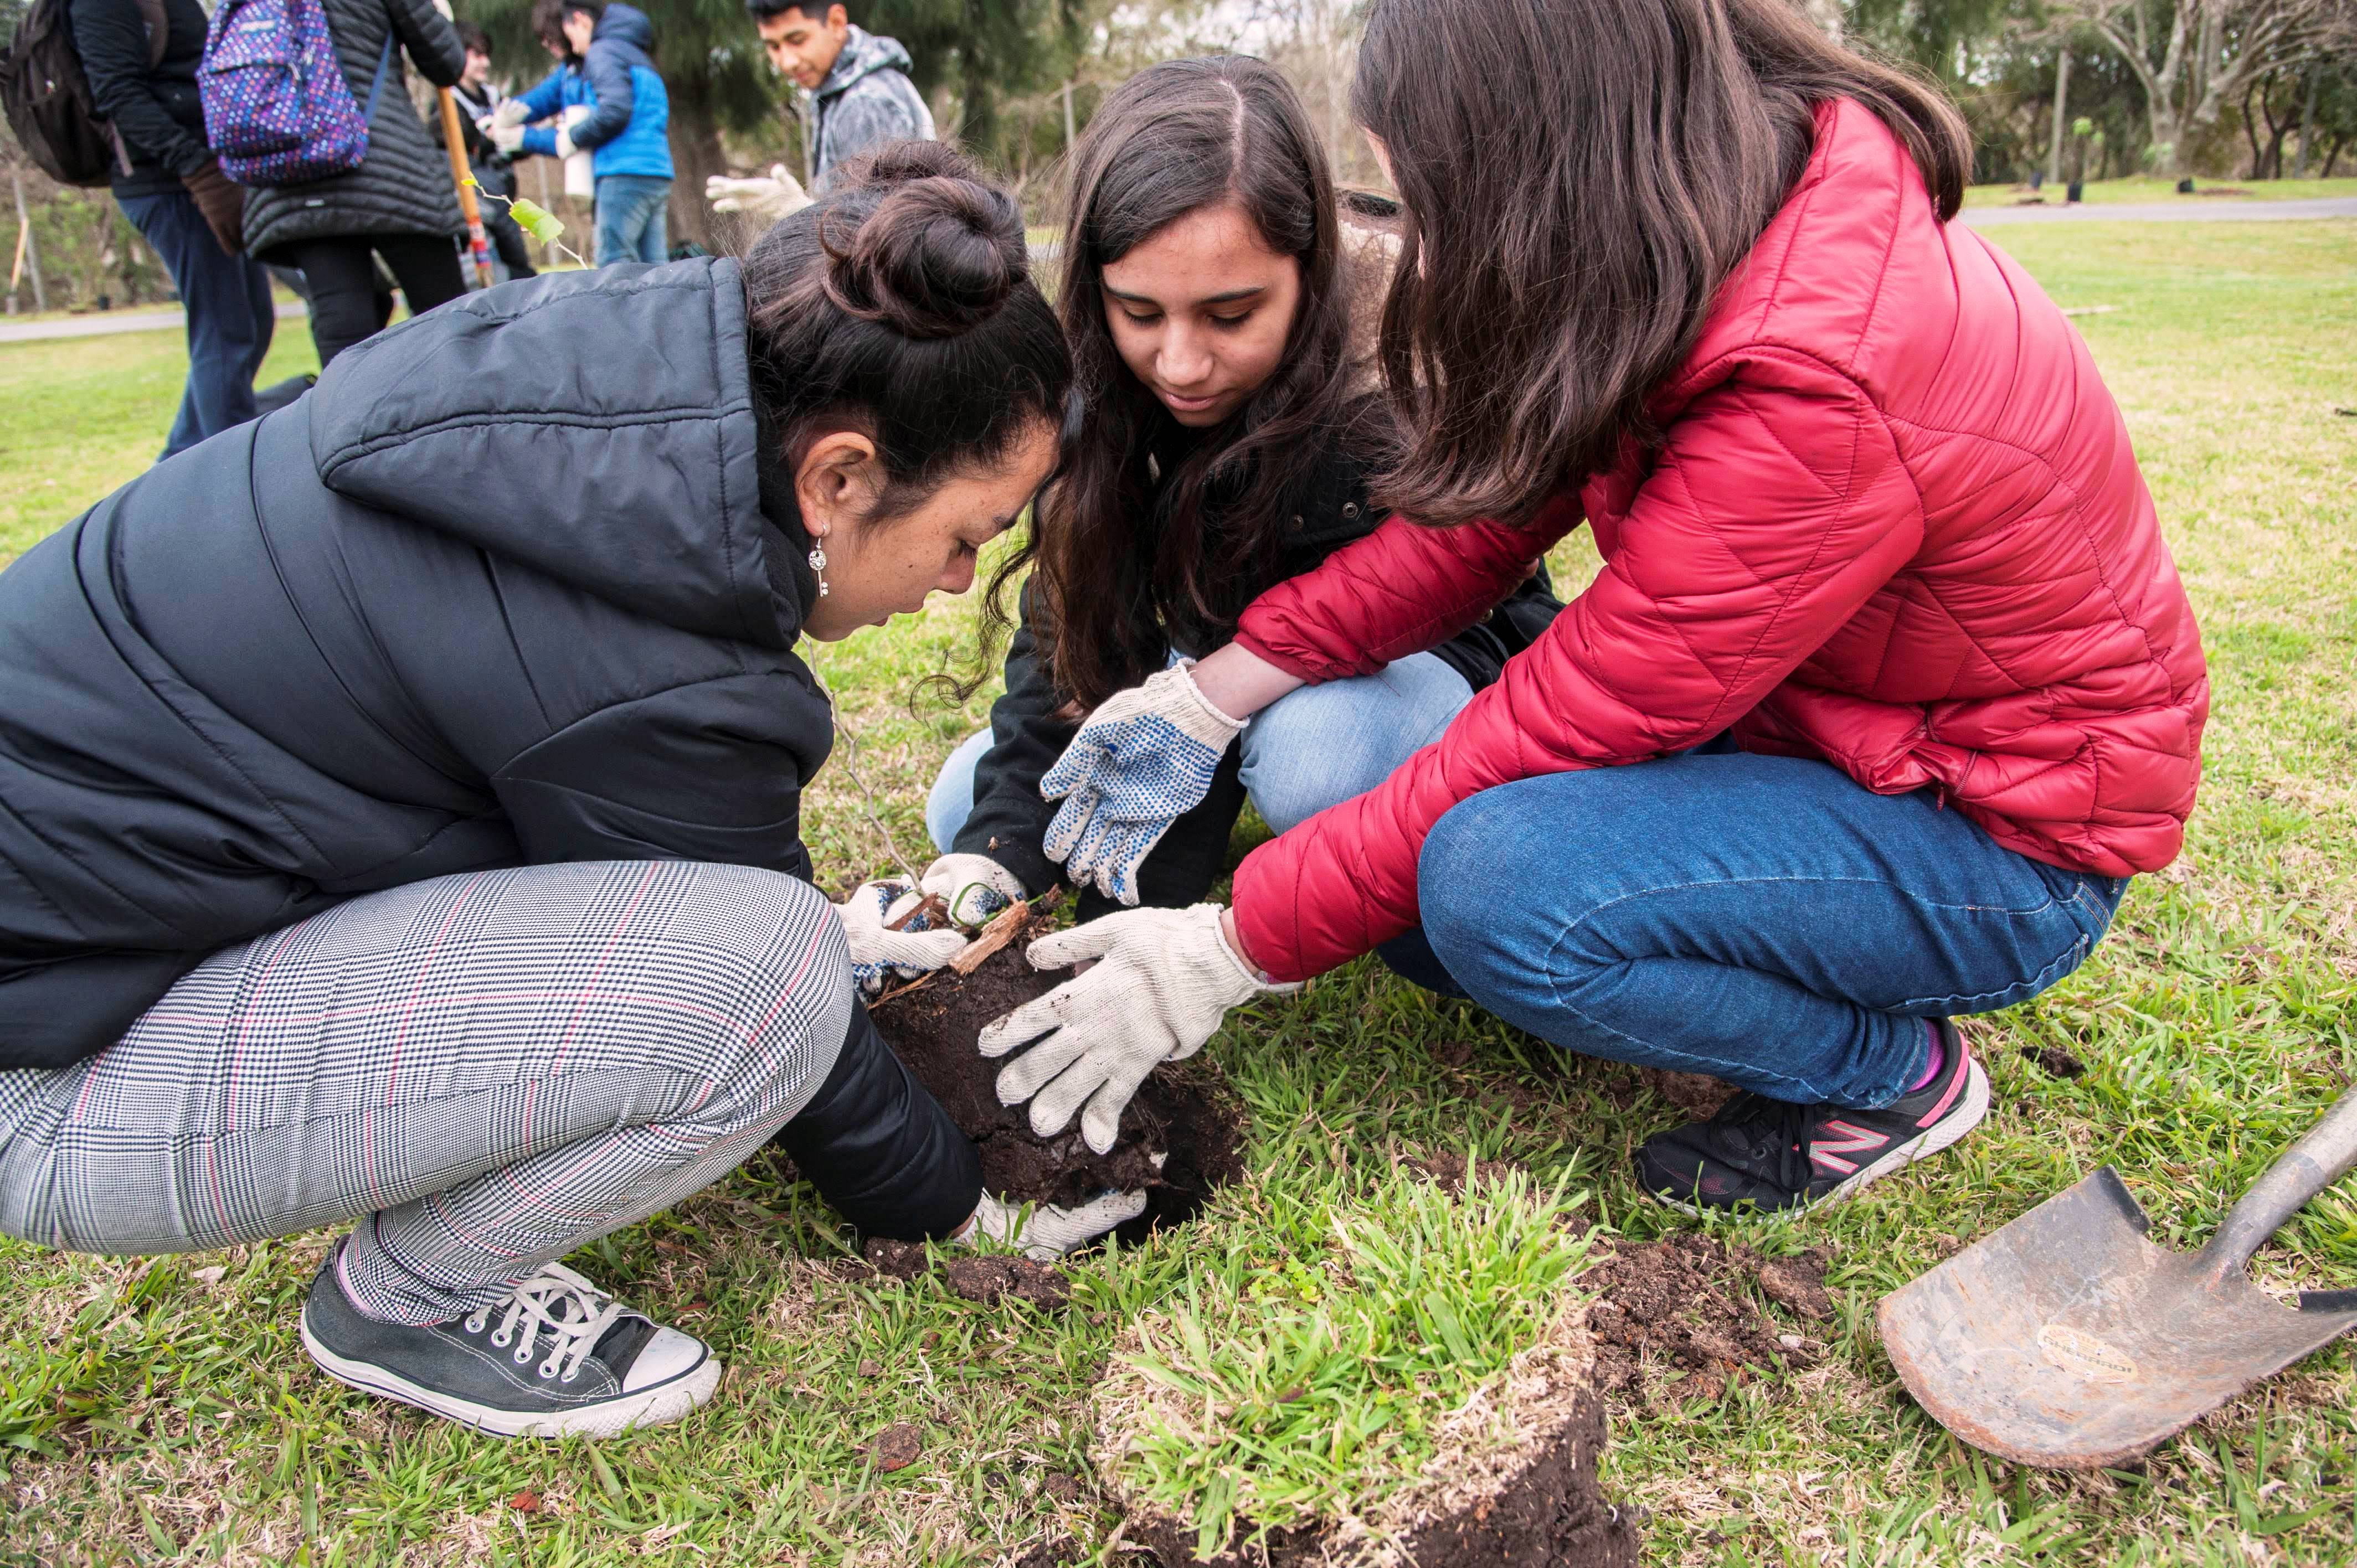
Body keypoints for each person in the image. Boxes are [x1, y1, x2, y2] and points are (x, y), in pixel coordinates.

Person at [983, 0, 2208, 1215]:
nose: (1423, 233)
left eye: (1427, 192)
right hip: (1829, 735)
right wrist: (1217, 690)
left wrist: (1233, 943)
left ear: (1533, 155)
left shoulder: (1812, 376)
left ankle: (1890, 1078)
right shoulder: (1692, 245)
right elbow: (1476, 531)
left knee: (1489, 885)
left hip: (1997, 830)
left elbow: (1577, 716)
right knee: (1410, 890)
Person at [0, 146, 1129, 1440]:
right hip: (52, 1063)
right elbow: (773, 1002)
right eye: (967, 535)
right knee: (768, 982)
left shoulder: (604, 392)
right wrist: (960, 1209)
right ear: (835, 477)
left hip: (101, 934)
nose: (950, 579)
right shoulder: (642, 647)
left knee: (783, 944)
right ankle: (408, 1297)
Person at [914, 58, 1560, 969]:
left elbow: (1431, 591)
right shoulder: (1095, 389)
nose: (1178, 364)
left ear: (1310, 268)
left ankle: (1357, 859)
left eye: (1230, 314)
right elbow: (1066, 637)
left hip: (1393, 672)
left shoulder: (1412, 356)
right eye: (1140, 311)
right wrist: (990, 861)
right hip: (1204, 676)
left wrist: (1172, 875)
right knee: (966, 806)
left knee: (1314, 755)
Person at [68, 0, 274, 457]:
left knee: (252, 323)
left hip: (210, 176)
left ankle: (175, 468)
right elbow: (119, 95)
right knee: (226, 333)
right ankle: (230, 475)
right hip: (170, 184)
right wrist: (198, 171)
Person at [239, 0, 471, 369]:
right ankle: (466, 416)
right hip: (385, 166)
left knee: (343, 329)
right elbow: (446, 62)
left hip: (293, 170)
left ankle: (348, 423)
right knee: (447, 320)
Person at [493, 0, 675, 267]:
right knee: (656, 266)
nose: (570, 41)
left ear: (580, 20)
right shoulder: (632, 52)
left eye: (567, 31)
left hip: (622, 170)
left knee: (615, 262)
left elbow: (614, 110)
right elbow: (547, 97)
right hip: (656, 171)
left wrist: (571, 136)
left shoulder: (601, 53)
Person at [745, 1, 932, 195]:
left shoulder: (865, 104)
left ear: (836, 22)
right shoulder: (837, 87)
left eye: (798, 40)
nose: (788, 62)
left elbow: (882, 219)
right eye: (774, 47)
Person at [447, 20, 539, 281]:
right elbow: (455, 155)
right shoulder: (449, 102)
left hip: (505, 195)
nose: (485, 63)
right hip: (480, 206)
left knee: (519, 265)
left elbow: (511, 148)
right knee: (497, 274)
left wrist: (524, 138)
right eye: (477, 55)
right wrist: (487, 138)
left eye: (487, 54)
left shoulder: (492, 96)